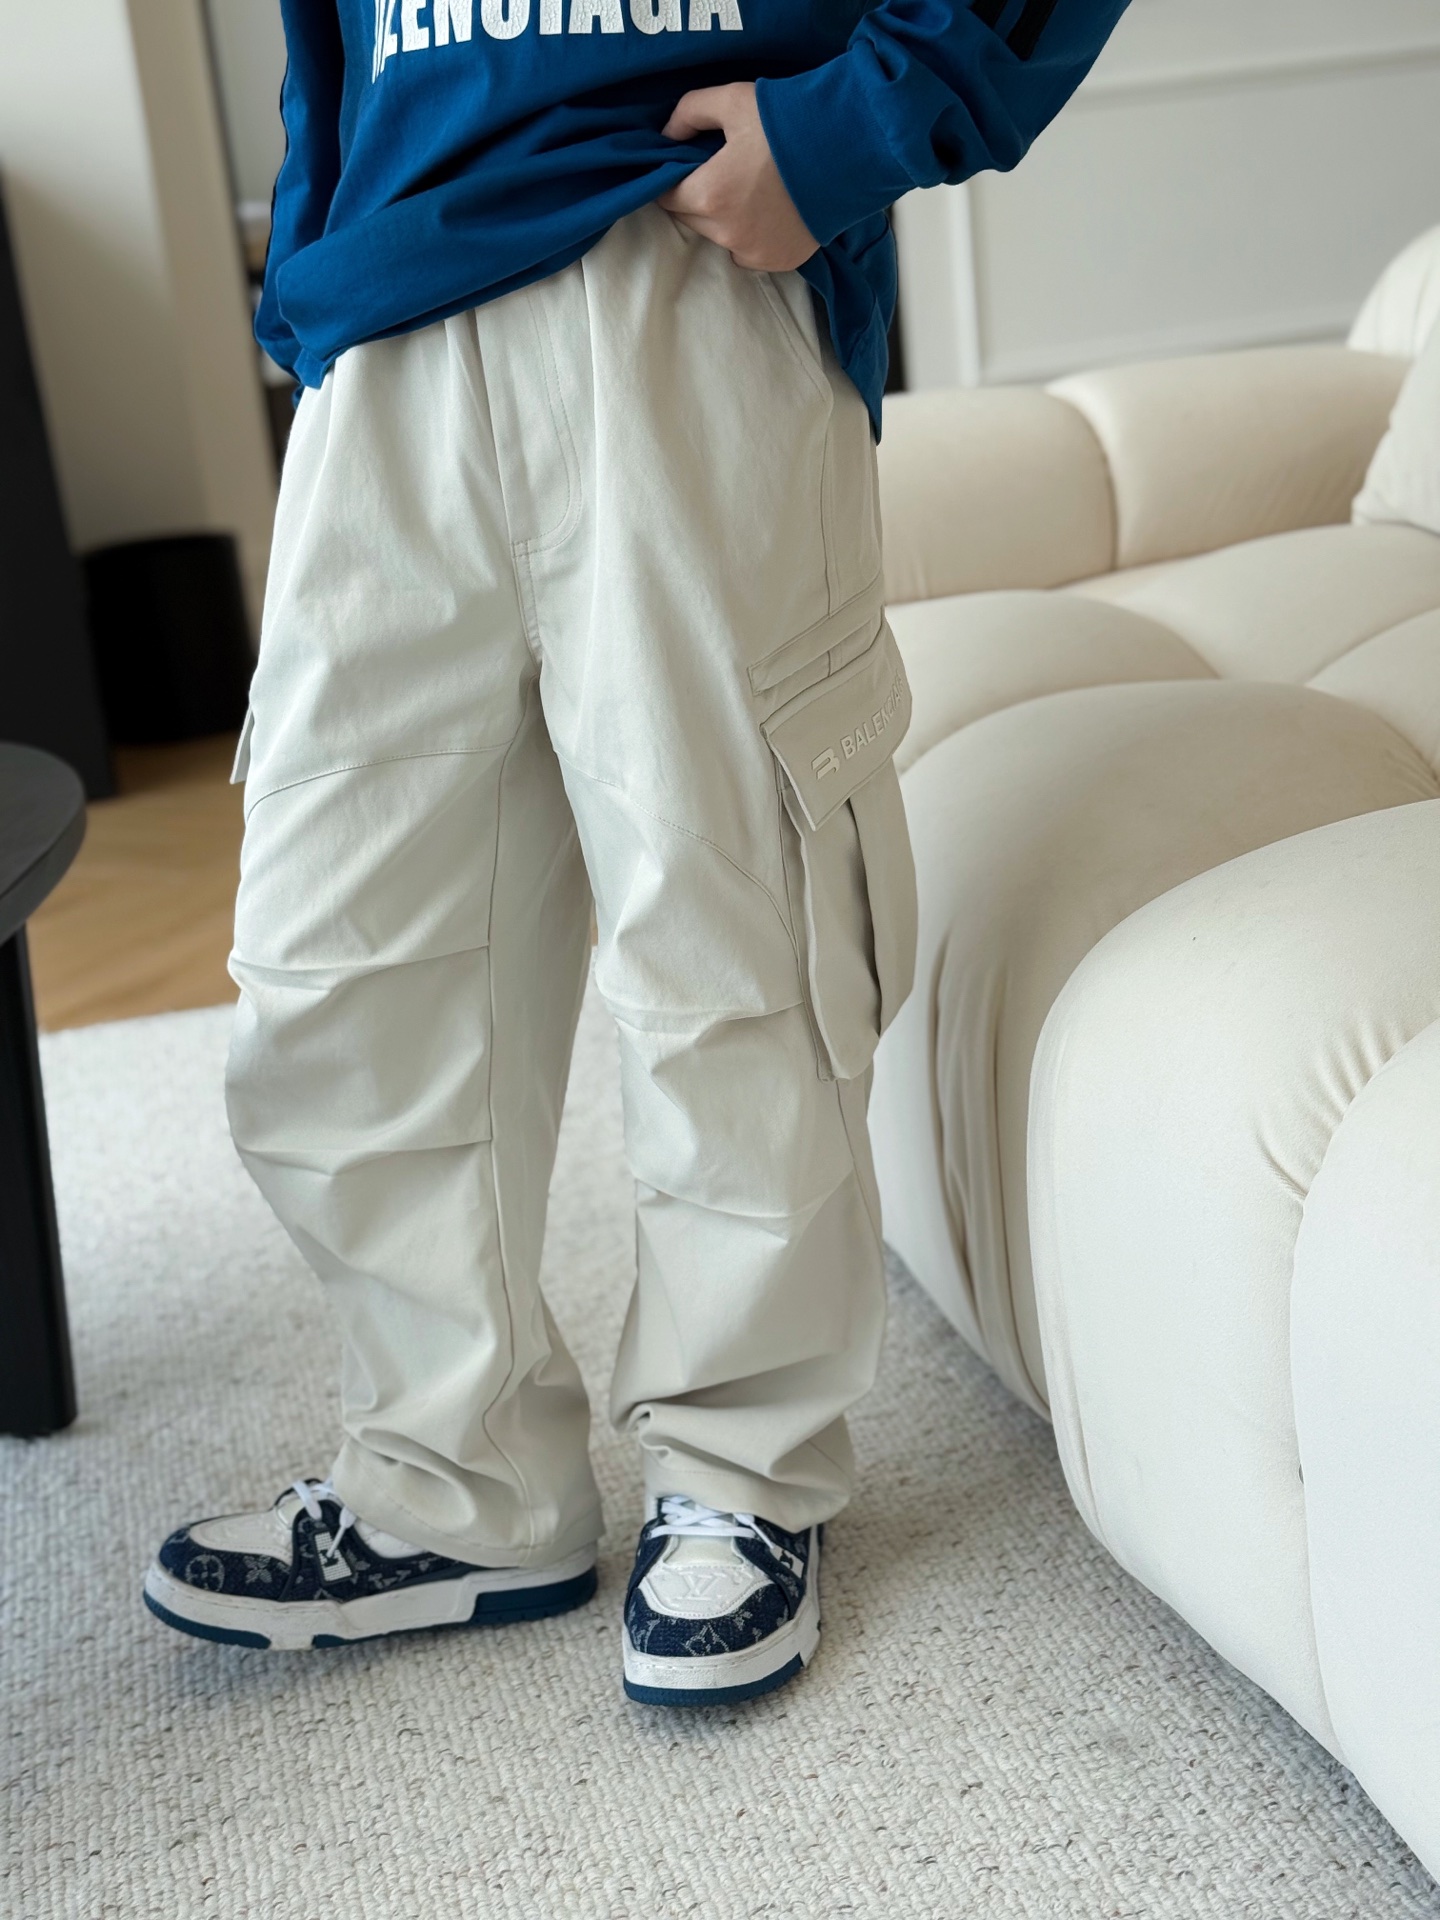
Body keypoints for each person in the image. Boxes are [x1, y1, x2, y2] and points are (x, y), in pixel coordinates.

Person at [144, 0, 1130, 1705]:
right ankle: (454, 1479)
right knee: (337, 949)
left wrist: (857, 126)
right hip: (391, 297)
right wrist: (313, 253)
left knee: (726, 920)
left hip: (683, 256)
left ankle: (741, 1471)